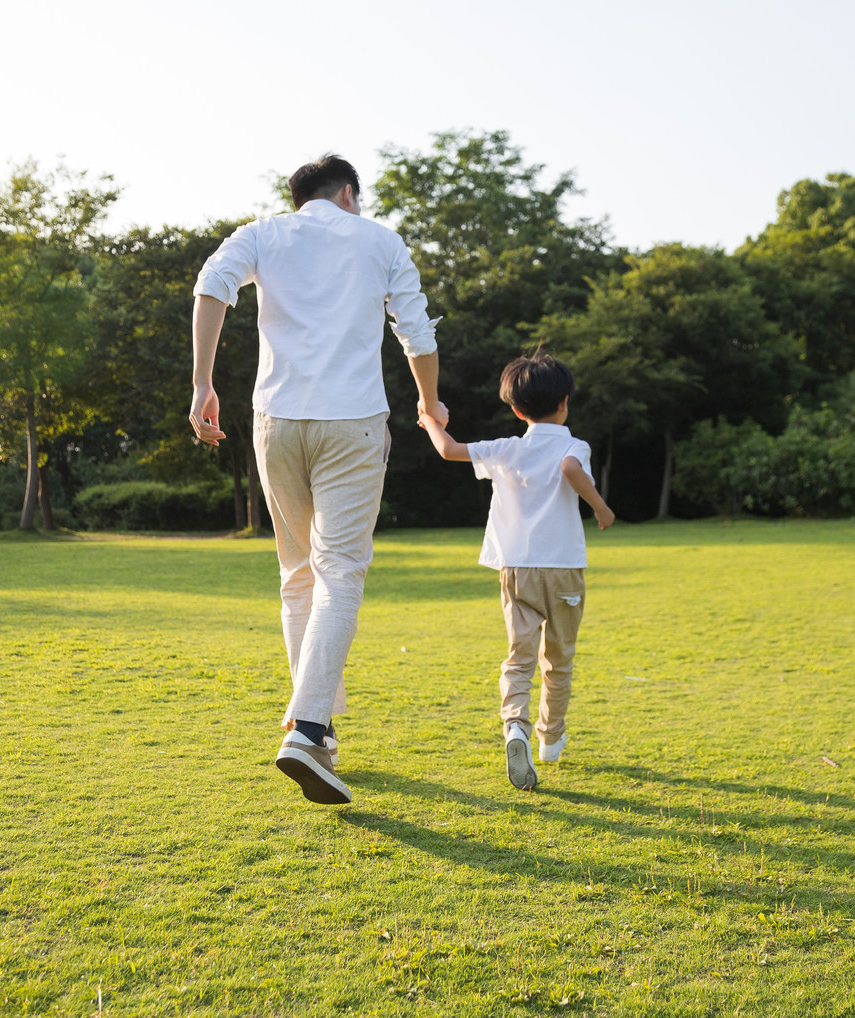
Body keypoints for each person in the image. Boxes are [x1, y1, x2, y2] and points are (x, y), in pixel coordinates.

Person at [188, 154, 444, 806]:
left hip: (275, 421)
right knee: (339, 573)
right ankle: (305, 729)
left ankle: (320, 730)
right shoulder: (380, 239)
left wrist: (202, 385)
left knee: (298, 575)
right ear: (349, 193)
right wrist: (430, 402)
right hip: (352, 422)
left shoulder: (262, 234)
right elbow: (413, 331)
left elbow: (212, 285)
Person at [416, 353, 614, 791]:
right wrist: (600, 508)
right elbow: (569, 469)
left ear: (517, 409)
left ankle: (515, 728)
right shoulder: (572, 445)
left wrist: (429, 419)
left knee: (519, 656)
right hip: (563, 569)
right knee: (558, 659)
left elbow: (448, 450)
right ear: (564, 402)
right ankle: (551, 740)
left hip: (516, 568)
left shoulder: (506, 448)